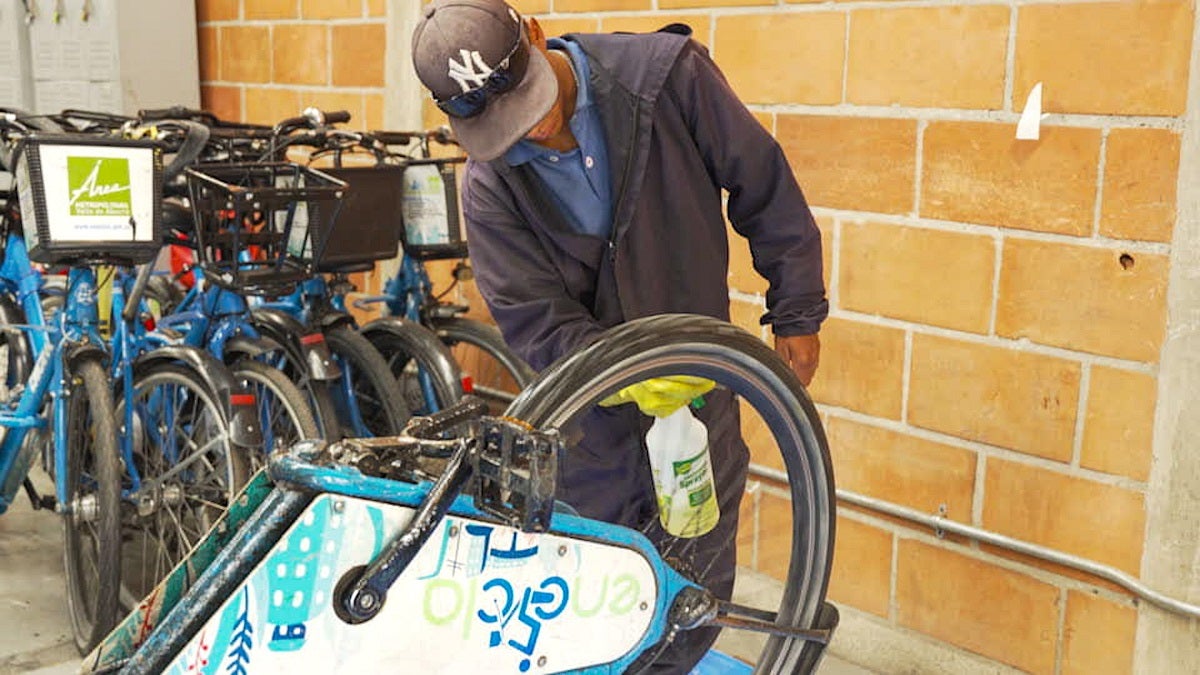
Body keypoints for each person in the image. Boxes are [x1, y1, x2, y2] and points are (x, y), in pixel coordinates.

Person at [411, 0, 827, 670]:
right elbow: (533, 315)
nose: (531, 130)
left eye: (528, 102)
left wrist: (797, 309)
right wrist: (627, 375)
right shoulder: (491, 186)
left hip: (697, 394)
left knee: (695, 587)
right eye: (502, 125)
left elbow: (764, 183)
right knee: (597, 600)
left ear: (536, 34)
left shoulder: (668, 80)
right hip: (589, 426)